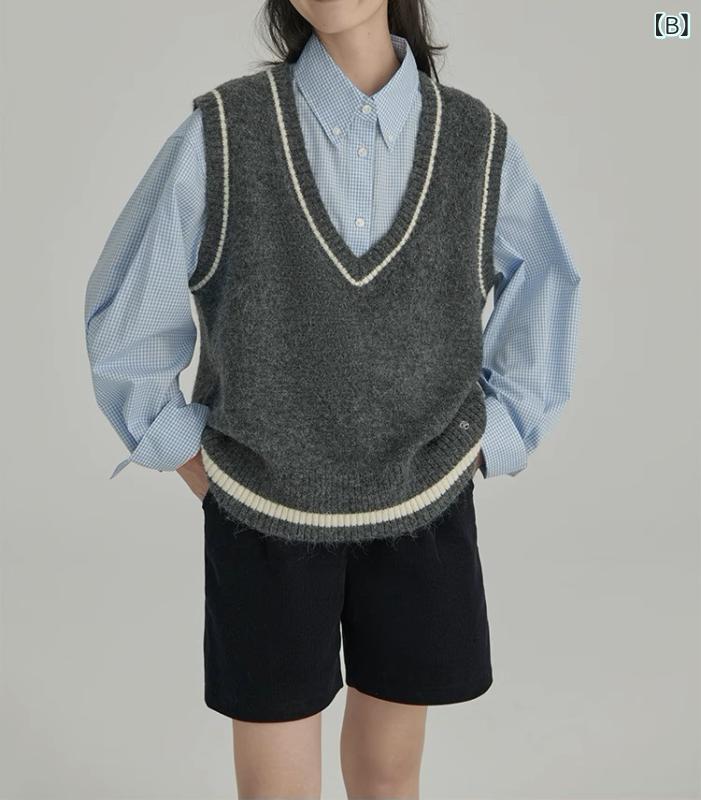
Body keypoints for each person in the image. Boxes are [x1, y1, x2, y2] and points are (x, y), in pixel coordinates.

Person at [84, 1, 581, 797]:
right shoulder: (226, 131)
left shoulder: (474, 140)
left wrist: (495, 437)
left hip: (423, 504)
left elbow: (544, 283)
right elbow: (128, 318)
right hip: (262, 515)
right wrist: (194, 461)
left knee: (389, 781)